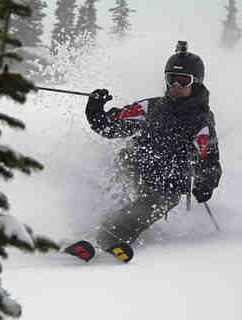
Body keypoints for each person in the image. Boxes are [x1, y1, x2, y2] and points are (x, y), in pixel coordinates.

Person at [85, 41, 222, 252]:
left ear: (196, 83)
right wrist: (96, 111)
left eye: (183, 81)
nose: (176, 87)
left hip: (168, 182)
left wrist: (206, 184)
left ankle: (111, 236)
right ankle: (93, 228)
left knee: (155, 201)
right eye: (171, 80)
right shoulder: (152, 107)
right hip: (136, 163)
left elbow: (209, 160)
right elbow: (110, 127)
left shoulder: (201, 121)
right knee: (116, 181)